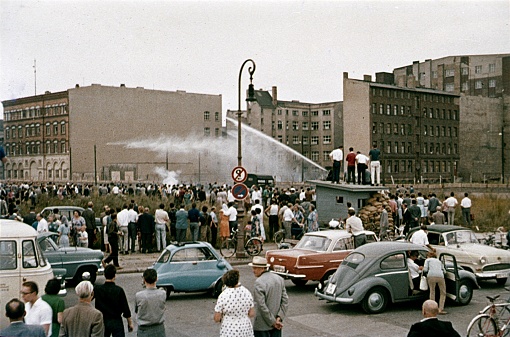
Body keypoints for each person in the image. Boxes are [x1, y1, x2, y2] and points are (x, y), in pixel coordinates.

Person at [249, 256, 288, 337]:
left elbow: (261, 306)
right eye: (253, 268)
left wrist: (272, 322)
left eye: (255, 268)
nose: (253, 271)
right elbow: (285, 300)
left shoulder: (259, 282)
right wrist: (279, 317)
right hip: (277, 324)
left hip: (262, 326)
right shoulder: (279, 279)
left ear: (263, 268)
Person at [94, 265, 133, 337]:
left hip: (103, 320)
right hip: (116, 320)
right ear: (114, 276)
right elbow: (126, 309)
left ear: (104, 275)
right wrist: (130, 323)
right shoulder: (119, 290)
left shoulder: (98, 289)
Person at [214, 269, 255, 337]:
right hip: (245, 328)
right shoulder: (247, 292)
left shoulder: (223, 296)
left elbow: (217, 318)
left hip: (229, 330)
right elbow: (251, 314)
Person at [135, 269, 166, 337]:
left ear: (144, 280)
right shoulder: (163, 293)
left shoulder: (139, 295)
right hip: (159, 329)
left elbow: (136, 310)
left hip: (144, 329)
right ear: (156, 279)